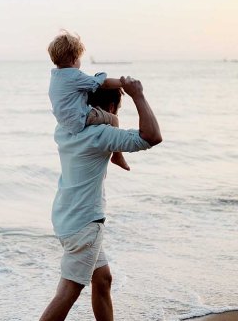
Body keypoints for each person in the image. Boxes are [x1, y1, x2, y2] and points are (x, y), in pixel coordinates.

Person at [39, 76, 162, 321]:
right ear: (111, 108)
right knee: (68, 293)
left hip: (66, 218)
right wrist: (138, 95)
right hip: (85, 223)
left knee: (103, 278)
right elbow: (152, 136)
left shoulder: (65, 128)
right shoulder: (100, 135)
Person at [48, 30, 131, 171]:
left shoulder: (55, 77)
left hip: (63, 121)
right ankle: (117, 156)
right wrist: (104, 75)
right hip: (80, 120)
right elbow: (100, 83)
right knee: (114, 120)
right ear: (74, 59)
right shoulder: (74, 75)